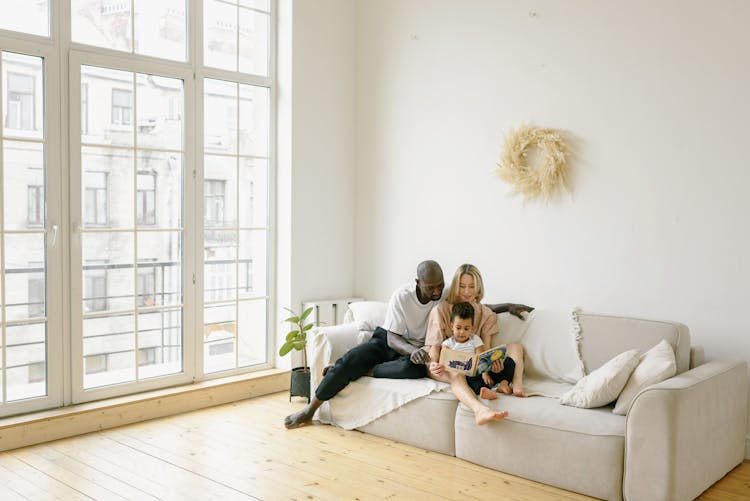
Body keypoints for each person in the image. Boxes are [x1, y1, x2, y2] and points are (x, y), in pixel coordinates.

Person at [284, 260, 445, 429]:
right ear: (418, 283)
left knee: (415, 369)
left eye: (440, 285)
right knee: (351, 360)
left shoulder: (445, 293)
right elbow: (392, 339)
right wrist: (412, 351)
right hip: (389, 340)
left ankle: (363, 371)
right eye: (431, 287)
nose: (437, 291)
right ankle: (310, 410)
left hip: (417, 349)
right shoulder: (402, 296)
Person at [425, 264, 530, 425]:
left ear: (479, 288)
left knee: (516, 347)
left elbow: (485, 350)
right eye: (462, 286)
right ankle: (479, 410)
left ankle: (517, 386)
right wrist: (433, 364)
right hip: (443, 365)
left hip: (473, 365)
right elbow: (434, 349)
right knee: (457, 374)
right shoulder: (440, 310)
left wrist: (492, 363)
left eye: (472, 287)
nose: (467, 291)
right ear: (455, 286)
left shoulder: (487, 314)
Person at [441, 301, 516, 399]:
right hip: (466, 375)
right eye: (458, 328)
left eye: (466, 328)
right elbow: (445, 361)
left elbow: (482, 357)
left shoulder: (475, 339)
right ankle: (484, 390)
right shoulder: (447, 344)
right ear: (452, 326)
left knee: (509, 362)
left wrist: (485, 374)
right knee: (472, 380)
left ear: (472, 328)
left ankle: (503, 384)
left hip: (481, 371)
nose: (462, 332)